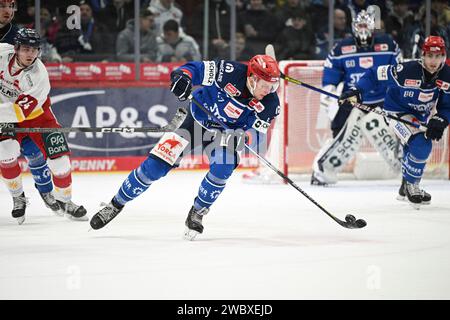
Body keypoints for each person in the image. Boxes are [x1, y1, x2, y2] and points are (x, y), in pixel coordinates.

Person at [90, 54, 281, 240]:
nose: (269, 90)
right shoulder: (227, 70)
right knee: (154, 168)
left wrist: (245, 138)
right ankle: (115, 204)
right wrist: (182, 76)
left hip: (224, 135)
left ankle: (198, 211)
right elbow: (194, 69)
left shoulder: (270, 102)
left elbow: (257, 133)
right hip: (195, 120)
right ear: (252, 78)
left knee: (223, 167)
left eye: (273, 86)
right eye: (265, 85)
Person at [338, 35, 450, 209]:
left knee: (412, 146)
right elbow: (373, 73)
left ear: (443, 56)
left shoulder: (447, 76)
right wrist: (357, 91)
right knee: (421, 145)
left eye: (438, 56)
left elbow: (446, 106)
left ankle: (405, 187)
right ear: (423, 55)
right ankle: (412, 185)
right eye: (430, 56)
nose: (433, 61)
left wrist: (441, 119)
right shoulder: (404, 70)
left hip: (419, 116)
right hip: (396, 113)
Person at [0, 28, 87, 224]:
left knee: (60, 162)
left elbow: (19, 111)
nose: (30, 54)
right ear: (16, 48)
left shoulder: (39, 76)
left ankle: (65, 201)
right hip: (6, 115)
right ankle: (18, 197)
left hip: (37, 116)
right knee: (5, 150)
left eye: (34, 50)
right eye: (26, 49)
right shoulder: (2, 53)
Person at [310, 10, 402, 186]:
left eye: (366, 25)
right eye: (359, 26)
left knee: (399, 134)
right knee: (339, 134)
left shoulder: (389, 44)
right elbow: (331, 74)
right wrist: (328, 94)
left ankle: (408, 170)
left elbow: (398, 72)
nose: (363, 30)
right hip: (353, 98)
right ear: (353, 27)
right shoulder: (341, 48)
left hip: (383, 100)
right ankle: (322, 172)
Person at [0, 0, 61, 215]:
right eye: (2, 5)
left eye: (11, 6)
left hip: (19, 103)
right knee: (5, 153)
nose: (7, 10)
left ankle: (46, 192)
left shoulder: (16, 36)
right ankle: (18, 198)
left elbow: (33, 71)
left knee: (34, 152)